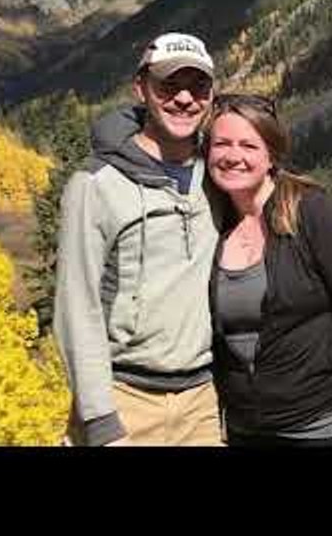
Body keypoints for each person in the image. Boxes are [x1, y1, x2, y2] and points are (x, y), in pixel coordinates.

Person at [53, 33, 223, 446]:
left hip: (203, 403)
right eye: (168, 85)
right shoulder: (96, 184)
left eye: (197, 86)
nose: (184, 98)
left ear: (211, 94)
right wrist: (99, 420)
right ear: (141, 88)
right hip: (125, 398)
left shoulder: (220, 176)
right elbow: (77, 303)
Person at [205, 93, 332, 446]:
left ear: (271, 155)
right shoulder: (210, 220)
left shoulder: (311, 212)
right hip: (243, 433)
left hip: (317, 430)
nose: (233, 156)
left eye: (248, 145)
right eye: (221, 143)